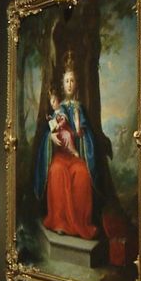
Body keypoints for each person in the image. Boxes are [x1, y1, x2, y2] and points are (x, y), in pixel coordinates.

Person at [34, 55, 98, 240]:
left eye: (72, 81)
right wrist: (51, 138)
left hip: (75, 156)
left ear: (76, 84)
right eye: (67, 81)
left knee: (82, 174)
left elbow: (85, 134)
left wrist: (80, 131)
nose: (69, 84)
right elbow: (49, 131)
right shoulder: (57, 108)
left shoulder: (80, 108)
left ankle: (79, 224)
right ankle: (60, 222)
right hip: (60, 157)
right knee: (57, 171)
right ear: (63, 85)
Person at [46, 88, 80, 159]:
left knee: (67, 135)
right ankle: (64, 152)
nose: (53, 105)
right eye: (51, 104)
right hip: (58, 131)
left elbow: (64, 120)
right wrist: (50, 119)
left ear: (58, 100)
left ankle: (73, 151)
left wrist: (59, 124)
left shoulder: (61, 109)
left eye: (54, 102)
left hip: (64, 129)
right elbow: (53, 122)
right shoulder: (54, 113)